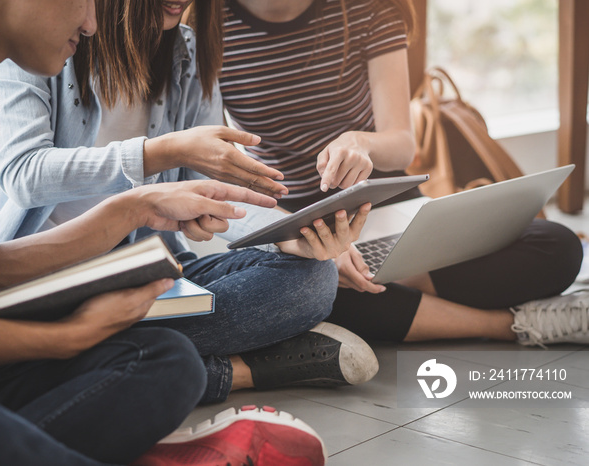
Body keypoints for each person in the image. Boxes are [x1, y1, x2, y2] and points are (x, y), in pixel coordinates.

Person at [0, 0, 327, 464]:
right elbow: (23, 175)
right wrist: (63, 339)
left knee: (170, 363)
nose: (92, 22)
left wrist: (283, 231)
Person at [0, 0, 380, 405]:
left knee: (314, 279)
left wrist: (294, 233)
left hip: (146, 272)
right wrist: (165, 151)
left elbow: (210, 180)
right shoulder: (38, 42)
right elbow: (23, 173)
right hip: (49, 281)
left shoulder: (187, 51)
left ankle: (92, 359)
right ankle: (226, 372)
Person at [218, 0, 586, 347]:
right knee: (308, 285)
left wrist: (359, 141)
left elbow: (402, 144)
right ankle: (514, 326)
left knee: (559, 246)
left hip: (384, 202)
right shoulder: (206, 24)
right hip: (296, 224)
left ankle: (385, 284)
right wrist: (315, 252)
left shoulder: (367, 9)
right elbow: (212, 161)